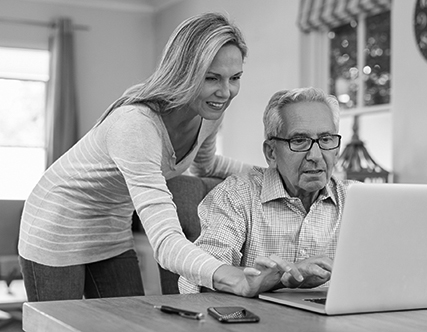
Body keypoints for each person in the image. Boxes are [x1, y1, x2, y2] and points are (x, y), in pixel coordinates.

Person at [18, 12, 301, 302]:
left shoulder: (209, 113)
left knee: (126, 324)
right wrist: (232, 276)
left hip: (112, 226)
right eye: (211, 78)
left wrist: (278, 174)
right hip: (57, 223)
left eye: (235, 77)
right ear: (183, 72)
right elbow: (166, 242)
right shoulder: (136, 125)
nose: (226, 92)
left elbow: (208, 164)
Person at [179, 87, 360, 294]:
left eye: (326, 139)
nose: (316, 156)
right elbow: (197, 278)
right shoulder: (236, 195)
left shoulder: (358, 201)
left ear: (337, 150)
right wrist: (276, 279)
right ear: (271, 152)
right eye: (299, 141)